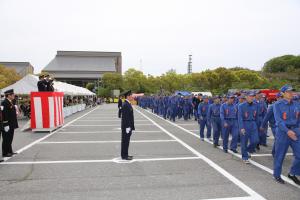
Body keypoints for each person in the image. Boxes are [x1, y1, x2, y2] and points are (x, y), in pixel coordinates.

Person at [273, 85, 300, 185]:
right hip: (283, 132)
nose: (291, 93)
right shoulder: (277, 105)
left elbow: (298, 119)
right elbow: (279, 121)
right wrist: (287, 131)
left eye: (292, 91)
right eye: (288, 92)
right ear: (283, 93)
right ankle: (277, 175)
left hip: (295, 132)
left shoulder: (297, 104)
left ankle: (293, 173)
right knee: (279, 156)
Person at [238, 92, 260, 164]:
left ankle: (248, 150)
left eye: (252, 96)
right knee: (244, 141)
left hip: (253, 124)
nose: (252, 98)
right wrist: (241, 127)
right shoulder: (241, 106)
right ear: (246, 97)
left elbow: (257, 116)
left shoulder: (256, 105)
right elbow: (240, 117)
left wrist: (257, 125)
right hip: (245, 123)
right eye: (250, 96)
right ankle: (245, 157)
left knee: (255, 140)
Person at [1, 89, 19, 158]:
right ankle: (5, 152)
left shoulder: (10, 102)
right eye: (12, 95)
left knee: (10, 138)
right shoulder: (4, 102)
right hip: (7, 124)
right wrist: (5, 124)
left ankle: (10, 151)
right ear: (8, 95)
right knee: (6, 138)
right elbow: (4, 114)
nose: (13, 96)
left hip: (11, 123)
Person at [121, 90, 135, 160]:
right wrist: (127, 127)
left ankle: (126, 154)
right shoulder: (126, 104)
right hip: (126, 127)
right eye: (131, 95)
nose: (132, 97)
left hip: (128, 126)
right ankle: (124, 156)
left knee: (126, 141)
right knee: (125, 141)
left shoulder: (127, 103)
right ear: (128, 96)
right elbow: (125, 117)